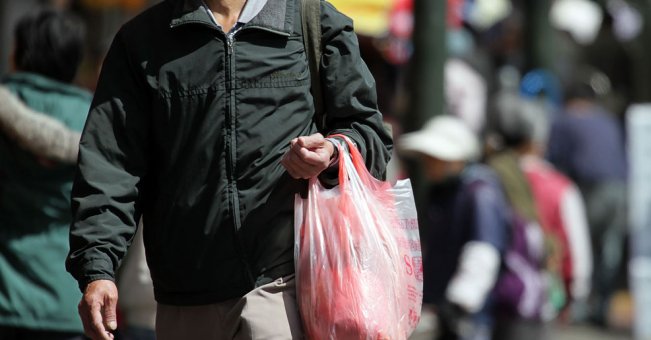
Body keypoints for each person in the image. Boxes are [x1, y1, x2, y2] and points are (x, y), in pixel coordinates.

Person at [65, 0, 393, 339]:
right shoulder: (142, 40)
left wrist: (332, 152)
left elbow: (370, 134)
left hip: (285, 286)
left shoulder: (314, 21)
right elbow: (111, 165)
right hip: (185, 299)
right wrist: (98, 268)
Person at [0, 9, 89, 340]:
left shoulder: (7, 103)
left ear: (17, 53)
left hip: (6, 300)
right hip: (67, 302)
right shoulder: (94, 117)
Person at [398, 116, 509, 340]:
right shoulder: (443, 193)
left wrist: (460, 302)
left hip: (466, 318)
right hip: (439, 309)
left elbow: (483, 252)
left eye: (435, 159)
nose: (428, 164)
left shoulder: (480, 194)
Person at [495, 95, 593, 321]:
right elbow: (577, 251)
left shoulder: (489, 177)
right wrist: (575, 292)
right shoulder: (562, 188)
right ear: (538, 142)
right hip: (542, 297)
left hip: (499, 295)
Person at [546, 71, 627, 326]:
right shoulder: (609, 120)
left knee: (581, 247)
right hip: (622, 190)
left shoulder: (564, 120)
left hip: (590, 190)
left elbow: (553, 162)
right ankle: (602, 308)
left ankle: (578, 307)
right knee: (610, 251)